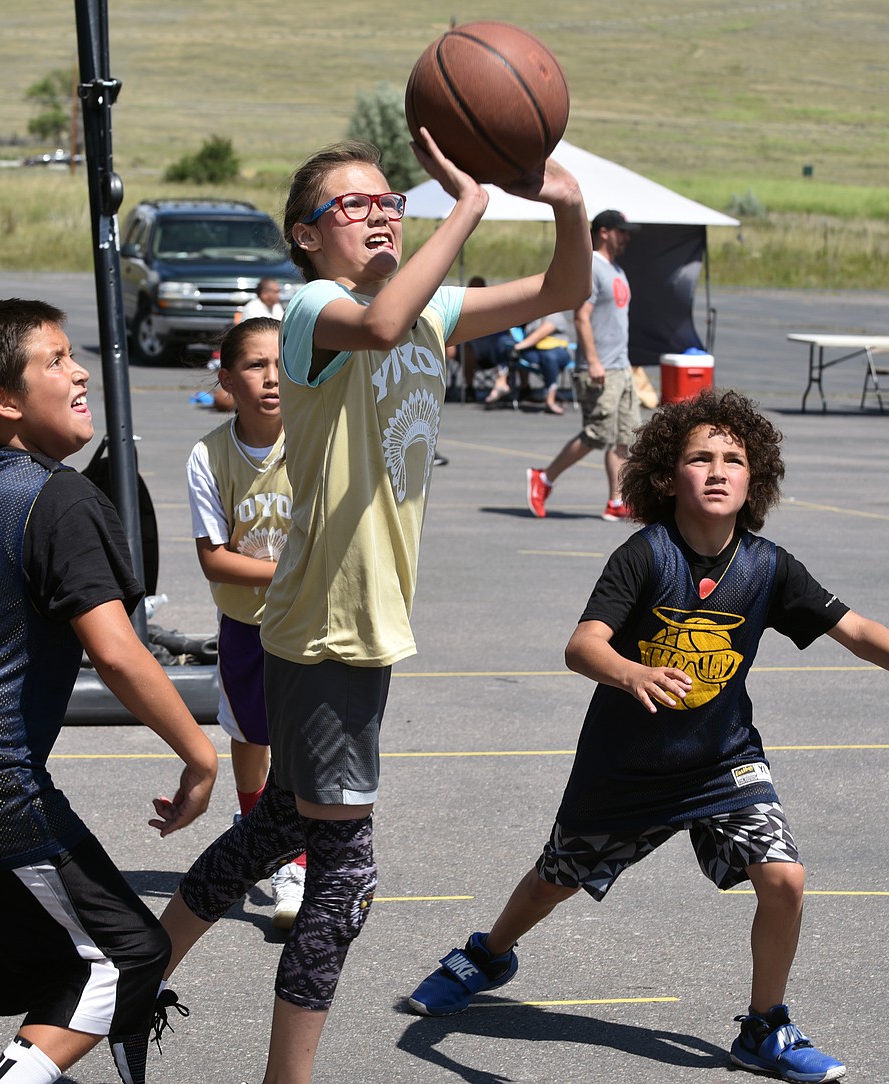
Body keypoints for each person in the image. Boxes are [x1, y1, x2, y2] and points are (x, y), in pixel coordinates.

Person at [152, 133, 589, 1084]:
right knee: (345, 878)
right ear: (305, 236)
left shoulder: (424, 306)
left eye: (391, 198)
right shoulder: (310, 307)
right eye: (355, 204)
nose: (383, 210)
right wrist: (466, 206)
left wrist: (564, 202)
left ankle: (136, 976)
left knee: (278, 833)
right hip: (329, 624)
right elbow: (383, 325)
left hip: (355, 623)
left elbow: (561, 294)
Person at [408, 389, 889, 1084]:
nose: (716, 469)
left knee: (785, 877)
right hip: (627, 768)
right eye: (699, 456)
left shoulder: (768, 567)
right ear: (664, 476)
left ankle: (765, 1028)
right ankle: (489, 954)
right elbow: (582, 646)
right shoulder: (645, 555)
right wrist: (628, 671)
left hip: (721, 760)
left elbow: (851, 627)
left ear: (752, 481)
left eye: (733, 459)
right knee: (555, 878)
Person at [0, 299, 219, 1084]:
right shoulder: (59, 500)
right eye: (55, 360)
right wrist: (199, 755)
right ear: (5, 400)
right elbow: (118, 654)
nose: (80, 369)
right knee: (124, 957)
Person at [184, 315, 306, 929]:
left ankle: (296, 859)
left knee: (302, 741)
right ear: (227, 378)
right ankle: (260, 831)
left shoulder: (317, 436)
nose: (271, 376)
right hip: (246, 626)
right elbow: (215, 559)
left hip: (310, 620)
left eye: (280, 361)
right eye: (255, 365)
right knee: (251, 737)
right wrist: (290, 570)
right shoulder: (209, 455)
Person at [526, 209, 637, 520]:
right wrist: (593, 361)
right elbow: (581, 317)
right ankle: (544, 478)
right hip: (599, 368)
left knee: (624, 436)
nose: (626, 237)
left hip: (621, 367)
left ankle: (616, 500)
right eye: (622, 231)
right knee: (598, 433)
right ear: (603, 232)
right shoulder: (592, 268)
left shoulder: (617, 269)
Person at [493, 311, 574, 414]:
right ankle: (502, 381)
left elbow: (540, 334)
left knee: (549, 357)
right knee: (503, 341)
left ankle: (550, 399)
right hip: (535, 352)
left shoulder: (554, 314)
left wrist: (518, 347)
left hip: (557, 352)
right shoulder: (529, 318)